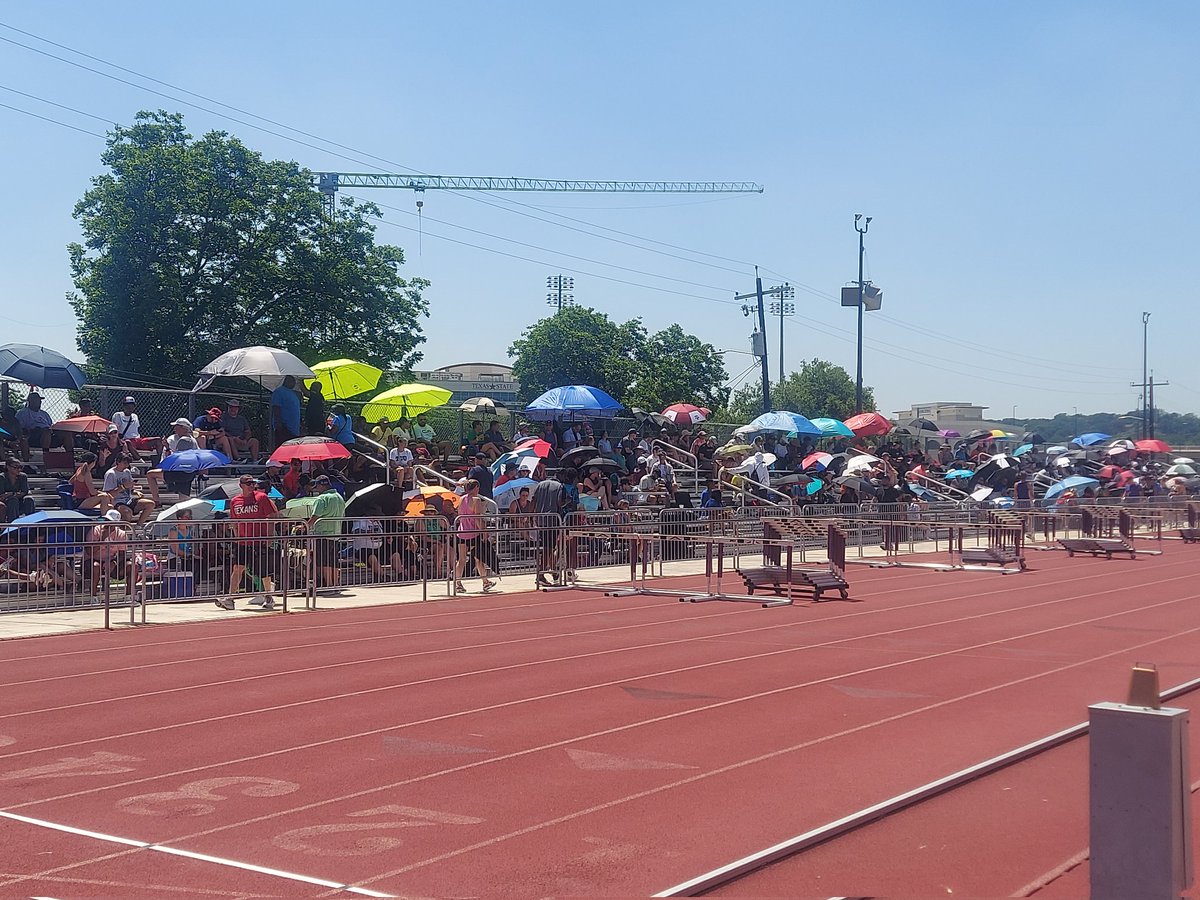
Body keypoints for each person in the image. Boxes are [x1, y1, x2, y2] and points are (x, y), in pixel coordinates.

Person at [219, 475, 278, 610]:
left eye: (253, 483)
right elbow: (234, 522)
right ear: (241, 485)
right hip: (243, 541)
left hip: (259, 540)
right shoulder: (235, 501)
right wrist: (236, 537)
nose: (252, 485)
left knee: (264, 572)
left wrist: (269, 537)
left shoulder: (261, 498)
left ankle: (268, 596)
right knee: (237, 569)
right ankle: (230, 598)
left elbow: (272, 516)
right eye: (248, 483)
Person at [453, 478, 498, 593]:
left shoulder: (462, 499)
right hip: (473, 533)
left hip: (462, 532)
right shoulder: (476, 500)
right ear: (476, 488)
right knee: (479, 559)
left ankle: (458, 583)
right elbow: (477, 518)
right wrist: (483, 531)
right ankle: (485, 582)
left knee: (461, 559)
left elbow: (460, 514)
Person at [305, 474, 347, 588]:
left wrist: (305, 526)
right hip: (336, 533)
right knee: (333, 561)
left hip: (323, 533)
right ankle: (335, 584)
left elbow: (315, 516)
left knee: (324, 561)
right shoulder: (339, 496)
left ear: (320, 485)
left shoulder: (322, 498)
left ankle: (328, 584)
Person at [532, 471, 566, 586]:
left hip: (541, 519)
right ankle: (541, 574)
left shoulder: (540, 484)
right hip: (552, 520)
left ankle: (552, 570)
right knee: (549, 548)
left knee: (549, 547)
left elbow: (534, 500)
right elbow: (560, 502)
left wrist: (532, 516)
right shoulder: (559, 487)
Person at [103, 455, 155, 525]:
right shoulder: (111, 474)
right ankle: (123, 532)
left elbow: (130, 487)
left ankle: (138, 526)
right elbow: (109, 494)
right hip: (116, 501)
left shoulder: (127, 472)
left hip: (128, 500)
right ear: (118, 462)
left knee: (150, 504)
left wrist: (136, 492)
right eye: (124, 463)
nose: (126, 465)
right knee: (127, 512)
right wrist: (123, 487)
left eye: (128, 463)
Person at [15, 393, 55, 460]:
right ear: (30, 401)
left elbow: (51, 426)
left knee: (66, 434)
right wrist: (33, 430)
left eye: (40, 400)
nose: (40, 402)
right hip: (32, 436)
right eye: (37, 400)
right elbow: (19, 429)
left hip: (48, 435)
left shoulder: (44, 414)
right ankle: (45, 457)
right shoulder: (22, 413)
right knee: (46, 432)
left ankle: (70, 461)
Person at [346, 516, 385, 581]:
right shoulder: (360, 521)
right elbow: (354, 532)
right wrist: (366, 532)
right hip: (363, 549)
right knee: (371, 557)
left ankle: (400, 575)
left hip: (377, 548)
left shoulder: (378, 522)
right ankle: (383, 575)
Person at [272, 375, 302, 446]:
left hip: (294, 428)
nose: (294, 384)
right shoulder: (279, 391)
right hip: (284, 426)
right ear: (286, 381)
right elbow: (276, 407)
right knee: (283, 447)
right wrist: (278, 422)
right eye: (292, 382)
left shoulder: (293, 393)